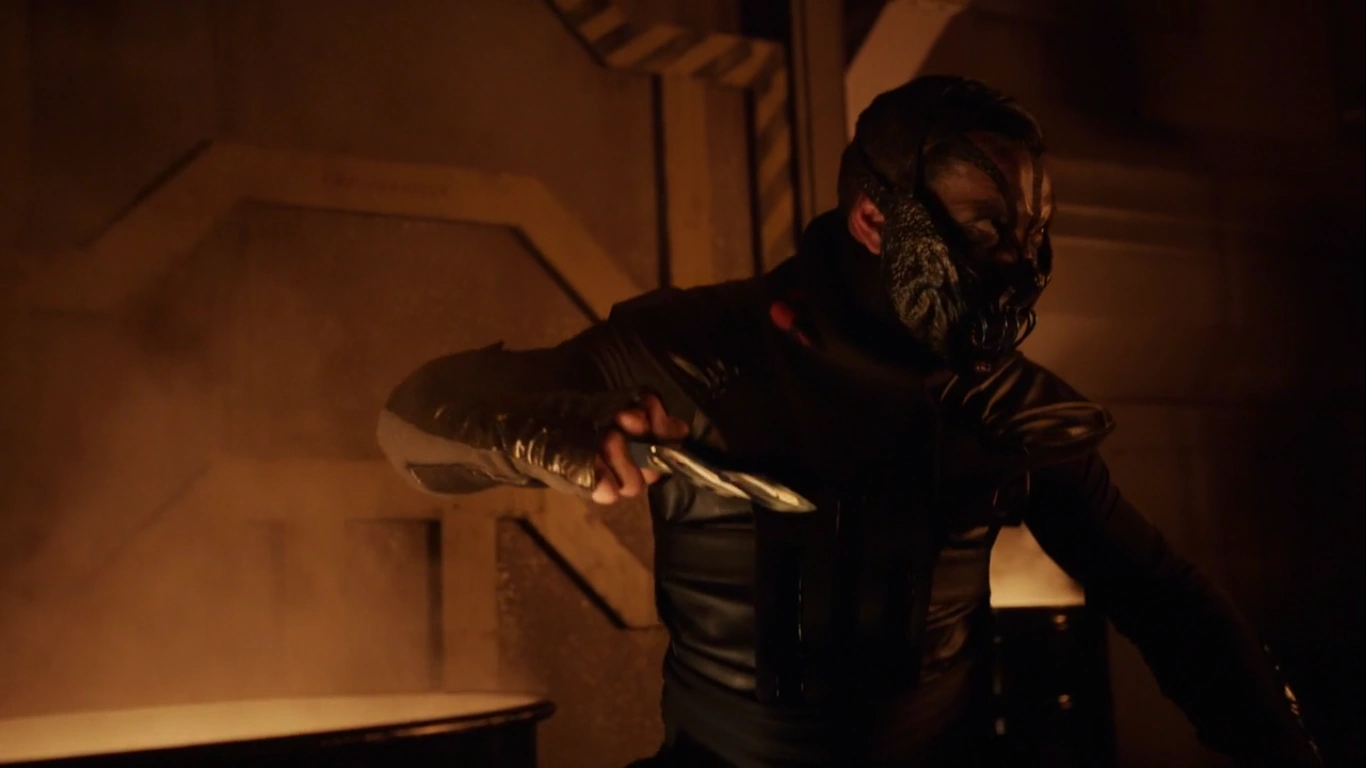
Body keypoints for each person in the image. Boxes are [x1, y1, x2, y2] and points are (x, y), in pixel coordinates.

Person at [376, 76, 1319, 766]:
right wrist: (559, 434)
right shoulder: (691, 349)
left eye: (1028, 232)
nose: (1014, 261)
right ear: (874, 217)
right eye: (983, 228)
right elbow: (411, 423)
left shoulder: (1009, 410)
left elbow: (1165, 599)